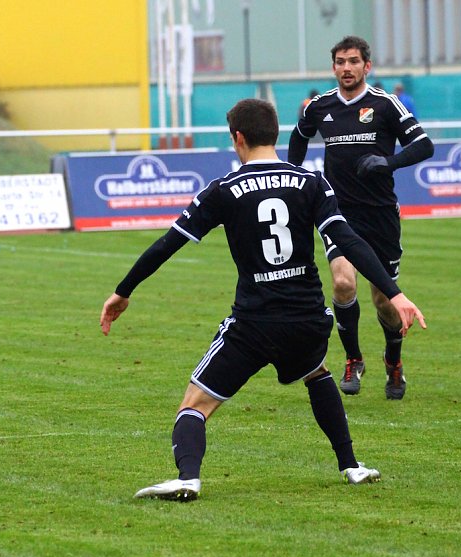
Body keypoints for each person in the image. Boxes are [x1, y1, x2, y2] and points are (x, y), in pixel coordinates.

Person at [100, 98, 426, 502]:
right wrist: (394, 293)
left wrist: (123, 291)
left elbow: (167, 245)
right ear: (275, 133)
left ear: (238, 137)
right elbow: (348, 241)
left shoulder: (223, 190)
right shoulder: (311, 182)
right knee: (316, 371)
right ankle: (352, 466)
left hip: (254, 323)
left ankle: (187, 477)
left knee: (195, 404)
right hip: (308, 319)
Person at [288, 36, 434, 400]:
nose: (346, 68)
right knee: (342, 284)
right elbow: (299, 137)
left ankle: (393, 362)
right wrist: (293, 177)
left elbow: (424, 145)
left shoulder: (385, 105)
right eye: (340, 62)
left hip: (381, 215)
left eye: (353, 61)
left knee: (384, 301)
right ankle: (353, 358)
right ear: (333, 66)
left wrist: (388, 161)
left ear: (367, 66)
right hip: (338, 213)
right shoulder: (319, 107)